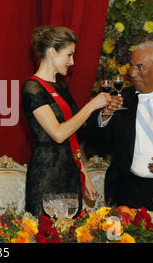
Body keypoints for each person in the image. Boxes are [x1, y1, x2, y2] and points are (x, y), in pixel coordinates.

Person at [21, 26, 120, 216]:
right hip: (47, 174)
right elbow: (58, 134)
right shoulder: (32, 88)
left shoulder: (61, 86)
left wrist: (85, 176)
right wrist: (91, 106)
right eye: (69, 55)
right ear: (52, 52)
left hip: (70, 172)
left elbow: (72, 137)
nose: (72, 62)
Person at [88, 40, 153, 211]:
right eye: (131, 66)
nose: (132, 73)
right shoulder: (120, 99)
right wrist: (105, 115)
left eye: (140, 67)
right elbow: (95, 142)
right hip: (127, 192)